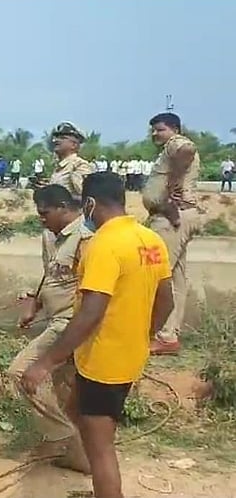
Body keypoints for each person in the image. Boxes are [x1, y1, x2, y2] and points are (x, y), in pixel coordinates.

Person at [22, 171, 174, 498]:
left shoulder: (104, 244)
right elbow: (166, 300)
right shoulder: (150, 240)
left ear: (89, 204)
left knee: (101, 449)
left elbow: (90, 313)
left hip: (103, 362)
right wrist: (144, 337)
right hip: (128, 356)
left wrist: (44, 363)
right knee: (79, 412)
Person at [10, 184, 92, 470]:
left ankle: (60, 434)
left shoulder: (86, 236)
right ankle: (81, 459)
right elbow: (50, 276)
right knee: (66, 392)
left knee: (20, 371)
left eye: (45, 213)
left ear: (63, 207)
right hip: (55, 316)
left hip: (71, 323)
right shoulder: (50, 236)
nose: (41, 218)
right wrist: (34, 303)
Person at [140, 112, 202, 356]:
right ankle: (167, 334)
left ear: (174, 129)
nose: (156, 133)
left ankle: (158, 333)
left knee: (155, 273)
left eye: (160, 129)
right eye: (153, 130)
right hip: (175, 215)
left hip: (171, 217)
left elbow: (186, 149)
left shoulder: (176, 143)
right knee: (175, 278)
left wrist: (172, 186)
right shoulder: (166, 149)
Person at [49, 121, 94, 202]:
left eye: (62, 138)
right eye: (56, 138)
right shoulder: (59, 167)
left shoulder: (79, 165)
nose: (56, 141)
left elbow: (88, 198)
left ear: (74, 145)